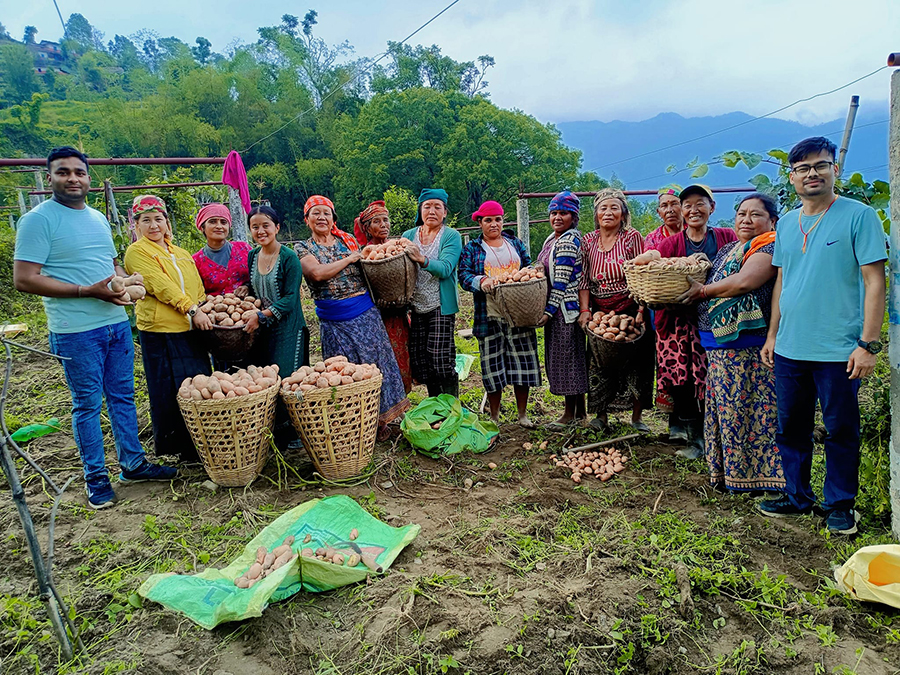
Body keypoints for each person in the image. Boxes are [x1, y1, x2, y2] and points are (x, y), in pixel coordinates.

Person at [13, 148, 176, 509]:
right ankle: (96, 478)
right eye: (63, 172)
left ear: (88, 178)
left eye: (79, 172)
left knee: (123, 396)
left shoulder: (98, 218)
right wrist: (86, 291)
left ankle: (132, 464)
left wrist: (127, 281)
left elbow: (110, 264)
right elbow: (24, 279)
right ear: (50, 178)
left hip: (115, 323)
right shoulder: (38, 220)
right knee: (87, 404)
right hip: (75, 330)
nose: (72, 178)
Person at [758, 137, 887, 535]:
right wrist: (773, 334)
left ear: (835, 170)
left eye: (820, 165)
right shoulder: (785, 223)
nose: (812, 173)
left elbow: (875, 281)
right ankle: (797, 496)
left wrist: (867, 344)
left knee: (840, 430)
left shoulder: (859, 216)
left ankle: (840, 504)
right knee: (791, 428)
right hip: (790, 347)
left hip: (839, 349)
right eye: (803, 168)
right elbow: (783, 280)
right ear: (792, 177)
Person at [679, 193, 784, 494]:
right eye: (741, 214)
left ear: (772, 221)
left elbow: (743, 282)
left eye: (755, 214)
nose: (746, 220)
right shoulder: (730, 249)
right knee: (727, 412)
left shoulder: (769, 247)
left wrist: (702, 292)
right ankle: (729, 475)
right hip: (719, 348)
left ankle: (760, 479)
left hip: (748, 347)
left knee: (751, 412)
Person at [296, 196, 410, 438]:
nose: (321, 218)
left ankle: (383, 421)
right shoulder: (303, 248)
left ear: (333, 219)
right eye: (315, 213)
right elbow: (316, 274)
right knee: (345, 372)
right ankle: (356, 424)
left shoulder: (346, 240)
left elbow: (369, 267)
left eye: (326, 213)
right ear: (307, 219)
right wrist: (349, 259)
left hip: (365, 315)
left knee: (377, 366)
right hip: (334, 321)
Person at [123, 195, 213, 464]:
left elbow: (196, 285)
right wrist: (192, 309)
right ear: (136, 225)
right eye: (146, 220)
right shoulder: (137, 252)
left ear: (166, 222)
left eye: (158, 219)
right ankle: (180, 448)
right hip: (161, 330)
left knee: (198, 384)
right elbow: (160, 285)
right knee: (169, 388)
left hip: (190, 328)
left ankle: (202, 442)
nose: (153, 226)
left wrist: (201, 305)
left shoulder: (181, 253)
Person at [655, 184, 738, 456]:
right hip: (677, 322)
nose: (693, 210)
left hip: (718, 321)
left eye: (700, 203)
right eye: (687, 205)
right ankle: (695, 441)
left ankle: (720, 439)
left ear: (712, 207)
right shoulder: (670, 244)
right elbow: (659, 278)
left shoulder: (727, 237)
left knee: (716, 378)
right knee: (682, 381)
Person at [458, 200, 540, 427]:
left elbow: (528, 265)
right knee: (492, 367)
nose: (494, 224)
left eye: (498, 219)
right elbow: (463, 275)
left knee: (522, 364)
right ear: (480, 223)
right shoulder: (473, 248)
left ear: (503, 221)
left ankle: (522, 415)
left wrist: (531, 273)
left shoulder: (514, 243)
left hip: (519, 313)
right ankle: (494, 416)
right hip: (489, 314)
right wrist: (481, 281)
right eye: (488, 220)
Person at [577, 188, 653, 433]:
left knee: (637, 362)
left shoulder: (631, 237)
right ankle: (600, 415)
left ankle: (637, 417)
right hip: (600, 312)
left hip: (630, 307)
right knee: (599, 362)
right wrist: (585, 310)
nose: (608, 212)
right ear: (596, 213)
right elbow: (583, 280)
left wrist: (641, 310)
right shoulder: (588, 241)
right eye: (603, 208)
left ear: (623, 213)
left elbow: (642, 275)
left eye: (614, 208)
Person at [402, 189, 463, 398]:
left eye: (437, 207)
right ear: (420, 210)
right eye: (427, 206)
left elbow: (445, 268)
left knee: (440, 358)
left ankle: (452, 404)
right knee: (422, 361)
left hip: (440, 305)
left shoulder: (451, 236)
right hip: (416, 306)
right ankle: (436, 403)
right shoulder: (408, 236)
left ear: (445, 212)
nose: (432, 211)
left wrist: (421, 259)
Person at [536, 190, 587, 428]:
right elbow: (542, 265)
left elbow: (561, 282)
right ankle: (579, 413)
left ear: (573, 217)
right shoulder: (552, 239)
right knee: (570, 360)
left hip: (565, 311)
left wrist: (548, 312)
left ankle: (569, 414)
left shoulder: (568, 241)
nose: (557, 217)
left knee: (567, 362)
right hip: (558, 310)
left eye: (564, 213)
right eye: (554, 213)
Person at [241, 206, 309, 376]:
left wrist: (261, 315)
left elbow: (291, 298)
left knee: (287, 378)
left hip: (288, 329)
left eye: (266, 225)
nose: (260, 231)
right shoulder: (252, 256)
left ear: (277, 227)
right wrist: (246, 287)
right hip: (262, 330)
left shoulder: (289, 257)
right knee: (265, 379)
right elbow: (258, 284)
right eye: (255, 227)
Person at [354, 200, 412, 393]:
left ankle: (403, 399)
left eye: (385, 220)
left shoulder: (397, 247)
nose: (383, 225)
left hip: (399, 313)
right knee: (384, 360)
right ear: (367, 228)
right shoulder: (363, 254)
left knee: (403, 357)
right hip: (376, 317)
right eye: (377, 221)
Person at [191, 203, 252, 296]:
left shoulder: (244, 249)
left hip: (249, 303)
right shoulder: (196, 261)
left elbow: (259, 276)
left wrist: (248, 286)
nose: (219, 226)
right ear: (202, 228)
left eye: (223, 222)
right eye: (212, 222)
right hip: (213, 305)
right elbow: (196, 292)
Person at [644, 184, 684, 251]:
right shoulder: (652, 238)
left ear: (684, 207)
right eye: (664, 205)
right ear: (659, 212)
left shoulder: (694, 233)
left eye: (674, 204)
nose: (669, 210)